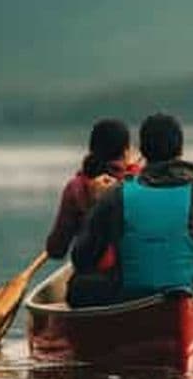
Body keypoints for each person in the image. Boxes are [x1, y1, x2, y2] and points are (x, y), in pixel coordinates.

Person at [72, 112, 193, 303]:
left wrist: (95, 206)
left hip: (128, 293)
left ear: (142, 152)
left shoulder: (114, 196)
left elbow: (82, 260)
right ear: (181, 150)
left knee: (77, 286)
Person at [46, 118, 140, 305]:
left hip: (92, 287)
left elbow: (56, 250)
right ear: (126, 151)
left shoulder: (75, 187)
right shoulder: (141, 182)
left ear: (91, 150)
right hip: (137, 283)